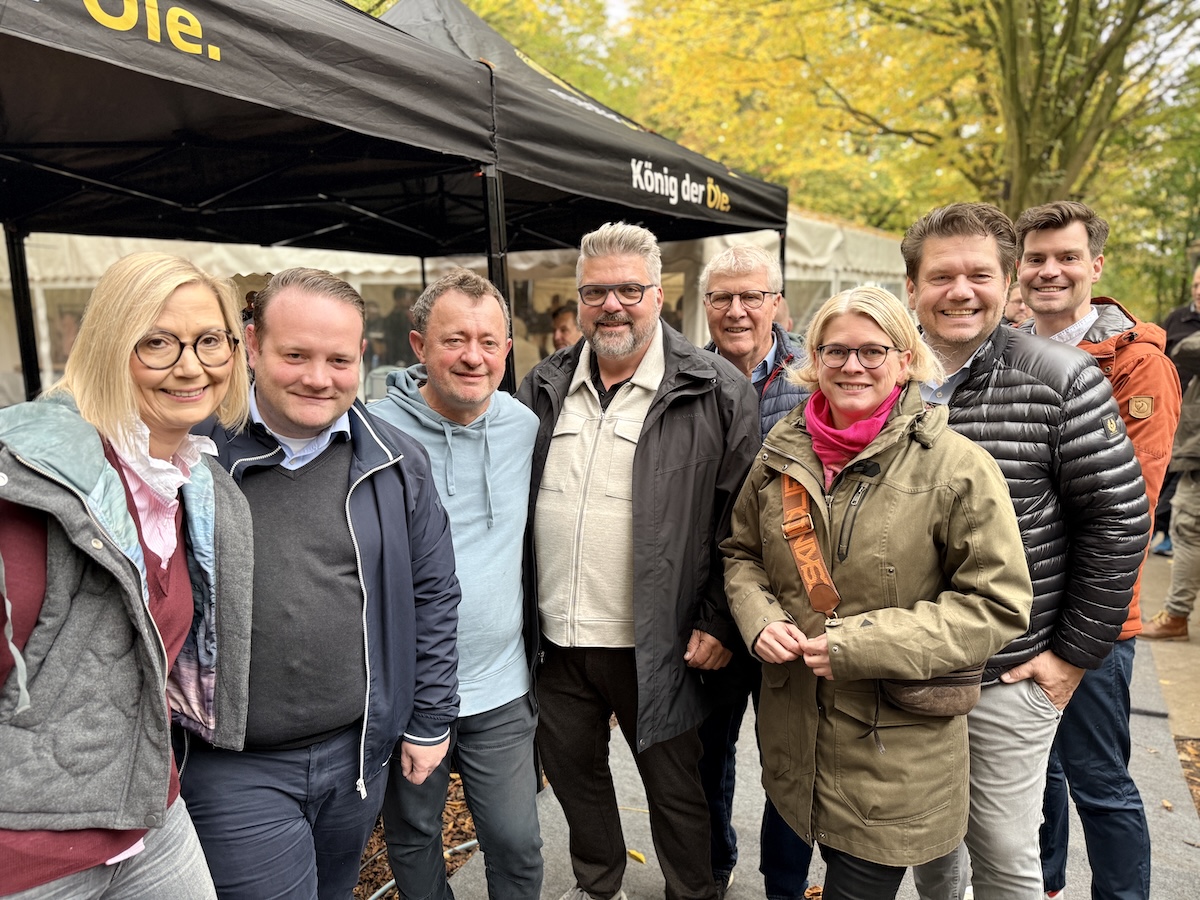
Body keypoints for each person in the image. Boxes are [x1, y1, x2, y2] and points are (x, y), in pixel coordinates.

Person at [722, 285, 1032, 899]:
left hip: (893, 747)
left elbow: (997, 604)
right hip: (793, 728)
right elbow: (741, 554)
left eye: (872, 350)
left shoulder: (958, 466)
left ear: (905, 358)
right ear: (814, 359)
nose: (852, 366)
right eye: (835, 351)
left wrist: (855, 645)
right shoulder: (781, 451)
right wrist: (758, 618)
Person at [184, 268, 462, 900]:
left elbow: (434, 596)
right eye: (295, 355)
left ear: (360, 356)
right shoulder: (189, 459)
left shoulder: (394, 461)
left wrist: (428, 718)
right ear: (250, 345)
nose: (318, 377)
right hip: (235, 764)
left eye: (338, 359)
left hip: (356, 755)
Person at [902, 202, 1150, 900]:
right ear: (913, 286)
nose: (960, 290)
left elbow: (1119, 519)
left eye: (979, 274)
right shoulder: (883, 381)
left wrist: (1072, 655)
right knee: (931, 847)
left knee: (1007, 855)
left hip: (1010, 673)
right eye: (941, 275)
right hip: (909, 666)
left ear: (1006, 280)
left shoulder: (1061, 377)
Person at [517, 222, 760, 900]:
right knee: (575, 777)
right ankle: (600, 885)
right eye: (596, 292)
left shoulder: (715, 389)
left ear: (660, 294)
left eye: (629, 289)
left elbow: (742, 521)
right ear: (578, 298)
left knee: (678, 791)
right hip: (557, 640)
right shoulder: (544, 385)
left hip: (662, 642)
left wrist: (717, 617)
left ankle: (692, 890)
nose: (612, 305)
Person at [0, 252, 253, 899]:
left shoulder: (192, 483)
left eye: (209, 341)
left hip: (148, 814)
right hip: (28, 851)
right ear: (111, 347)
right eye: (158, 342)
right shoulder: (35, 492)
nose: (191, 365)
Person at [1016, 200, 1179, 899]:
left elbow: (1127, 509)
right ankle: (1042, 886)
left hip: (1094, 616)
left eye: (1066, 257)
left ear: (1096, 266)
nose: (1050, 271)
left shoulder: (1138, 367)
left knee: (1098, 779)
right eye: (1036, 258)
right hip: (1010, 605)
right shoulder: (1004, 348)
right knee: (1032, 772)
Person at [371, 269, 543, 900]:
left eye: (489, 341)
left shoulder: (522, 427)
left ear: (505, 350)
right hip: (409, 689)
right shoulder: (374, 433)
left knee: (517, 842)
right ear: (419, 347)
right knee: (414, 842)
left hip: (501, 684)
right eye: (455, 340)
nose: (474, 356)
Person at [698, 244, 812, 900]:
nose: (737, 311)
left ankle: (784, 886)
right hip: (713, 606)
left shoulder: (818, 371)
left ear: (777, 303)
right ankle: (715, 868)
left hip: (793, 611)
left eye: (752, 297)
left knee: (790, 764)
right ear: (705, 306)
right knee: (706, 756)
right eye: (722, 298)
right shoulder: (682, 375)